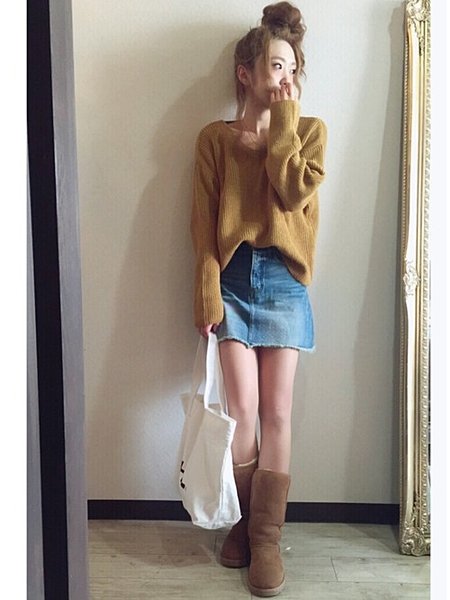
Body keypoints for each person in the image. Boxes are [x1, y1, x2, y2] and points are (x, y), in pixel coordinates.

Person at [190, 2, 326, 596]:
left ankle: (266, 539)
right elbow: (202, 227)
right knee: (242, 410)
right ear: (246, 72)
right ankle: (246, 525)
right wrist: (205, 292)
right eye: (275, 65)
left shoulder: (310, 133)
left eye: (293, 68)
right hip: (233, 278)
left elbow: (293, 194)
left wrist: (283, 122)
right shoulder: (214, 140)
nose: (286, 77)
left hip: (284, 282)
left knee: (276, 412)